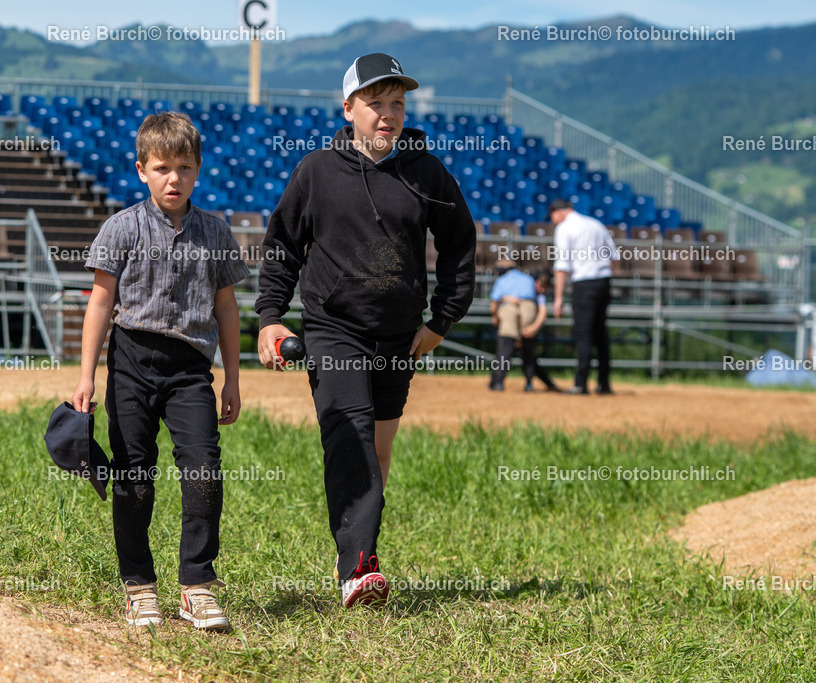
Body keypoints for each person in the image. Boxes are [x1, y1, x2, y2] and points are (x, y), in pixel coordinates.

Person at [255, 53, 476, 607]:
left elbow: (459, 244)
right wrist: (270, 316)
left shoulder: (426, 172)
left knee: (377, 451)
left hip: (398, 335)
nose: (388, 115)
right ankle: (360, 568)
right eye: (375, 104)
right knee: (349, 437)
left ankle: (352, 550)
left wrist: (441, 322)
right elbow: (283, 247)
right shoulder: (316, 171)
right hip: (334, 329)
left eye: (397, 104)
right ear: (348, 108)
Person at [70, 112, 250, 631]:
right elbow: (100, 305)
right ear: (142, 170)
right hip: (130, 362)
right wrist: (87, 377)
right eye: (163, 168)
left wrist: (232, 378)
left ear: (198, 170)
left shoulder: (215, 231)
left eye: (185, 168)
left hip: (191, 369)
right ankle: (138, 586)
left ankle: (196, 585)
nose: (175, 178)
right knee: (133, 476)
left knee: (203, 470)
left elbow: (227, 308)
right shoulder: (121, 227)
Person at [550, 198, 617, 395]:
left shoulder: (564, 228)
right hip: (603, 282)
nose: (553, 221)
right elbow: (614, 256)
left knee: (583, 333)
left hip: (583, 283)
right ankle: (604, 383)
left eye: (553, 216)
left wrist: (558, 298)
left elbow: (562, 266)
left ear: (559, 212)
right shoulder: (595, 224)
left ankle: (581, 383)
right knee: (600, 333)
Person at [489, 263, 560, 392]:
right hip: (528, 309)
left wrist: (495, 318)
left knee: (505, 349)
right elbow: (541, 308)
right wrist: (534, 327)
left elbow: (493, 305)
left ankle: (498, 383)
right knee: (527, 350)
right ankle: (529, 384)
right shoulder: (530, 280)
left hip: (509, 308)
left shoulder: (501, 280)